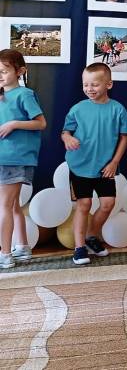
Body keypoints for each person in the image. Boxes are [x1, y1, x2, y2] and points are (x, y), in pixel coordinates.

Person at [62, 63, 127, 265]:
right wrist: (67, 138)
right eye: (85, 84)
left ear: (108, 84)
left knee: (108, 204)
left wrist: (114, 162)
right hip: (79, 166)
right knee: (84, 205)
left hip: (105, 167)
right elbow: (65, 132)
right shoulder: (77, 109)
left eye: (94, 84)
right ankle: (79, 248)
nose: (89, 89)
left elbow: (124, 137)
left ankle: (91, 236)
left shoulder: (117, 109)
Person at [0, 49, 46, 269]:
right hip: (4, 157)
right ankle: (23, 247)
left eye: (4, 71)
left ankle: (5, 254)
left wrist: (14, 124)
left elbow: (41, 123)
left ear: (20, 71)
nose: (0, 76)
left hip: (13, 158)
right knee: (12, 205)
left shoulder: (24, 94)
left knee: (5, 206)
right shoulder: (1, 95)